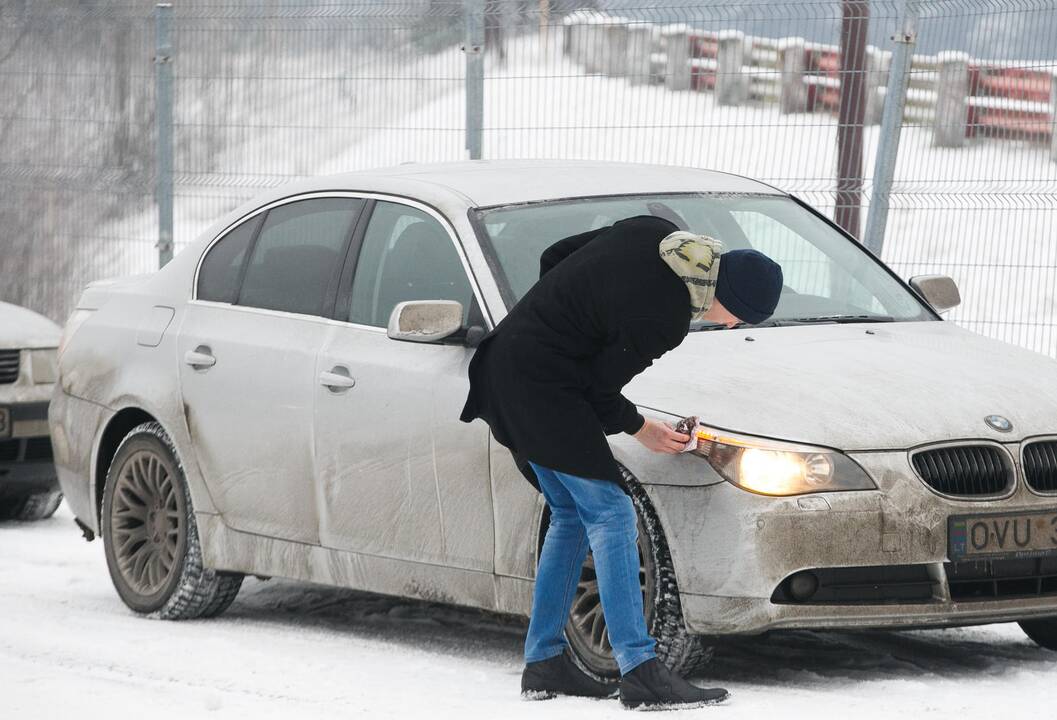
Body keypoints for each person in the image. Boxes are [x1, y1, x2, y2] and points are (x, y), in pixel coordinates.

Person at [458, 214, 783, 710]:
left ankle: (545, 661)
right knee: (612, 514)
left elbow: (558, 253)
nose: (733, 325)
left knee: (572, 514)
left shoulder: (653, 231)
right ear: (726, 297)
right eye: (738, 316)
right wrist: (645, 430)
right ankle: (640, 669)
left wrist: (558, 320)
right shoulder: (665, 316)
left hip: (506, 363)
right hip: (545, 388)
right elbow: (598, 390)